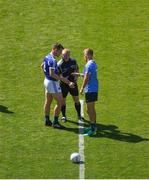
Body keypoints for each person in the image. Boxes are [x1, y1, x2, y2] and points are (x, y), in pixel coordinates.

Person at [41, 43, 74, 128]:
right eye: (60, 51)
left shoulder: (47, 56)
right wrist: (65, 81)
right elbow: (52, 74)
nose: (60, 54)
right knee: (60, 102)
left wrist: (46, 75)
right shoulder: (53, 60)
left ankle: (47, 120)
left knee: (48, 101)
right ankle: (55, 122)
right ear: (55, 49)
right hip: (52, 82)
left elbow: (42, 66)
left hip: (47, 81)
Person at [73, 48, 99, 136]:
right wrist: (79, 74)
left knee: (90, 109)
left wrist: (82, 88)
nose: (84, 57)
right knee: (90, 109)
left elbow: (87, 77)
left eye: (84, 55)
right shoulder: (93, 63)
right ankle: (93, 125)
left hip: (90, 89)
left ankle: (93, 129)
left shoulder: (88, 65)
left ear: (88, 55)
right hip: (93, 88)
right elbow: (87, 75)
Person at [57, 48, 84, 122]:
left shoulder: (73, 61)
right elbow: (60, 77)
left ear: (69, 55)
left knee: (76, 100)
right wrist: (69, 83)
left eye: (67, 55)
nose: (65, 56)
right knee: (63, 101)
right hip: (63, 85)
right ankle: (63, 116)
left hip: (73, 84)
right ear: (62, 55)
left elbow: (76, 69)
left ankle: (79, 115)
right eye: (64, 55)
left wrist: (76, 78)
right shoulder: (59, 64)